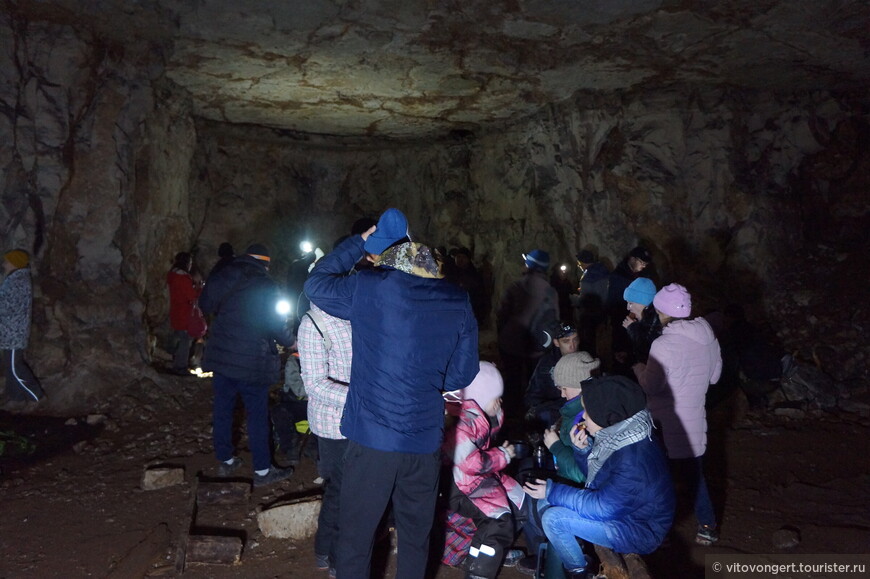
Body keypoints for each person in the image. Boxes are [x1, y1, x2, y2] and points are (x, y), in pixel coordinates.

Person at [303, 208, 479, 579]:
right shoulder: (457, 298)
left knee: (356, 538)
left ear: (381, 253)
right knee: (416, 537)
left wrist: (357, 243)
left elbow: (316, 285)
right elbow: (462, 373)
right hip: (424, 439)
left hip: (372, 439)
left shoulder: (369, 288)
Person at [522, 378, 674, 578]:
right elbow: (599, 480)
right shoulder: (621, 436)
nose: (583, 417)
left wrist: (552, 490)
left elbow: (602, 508)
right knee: (545, 504)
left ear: (606, 415)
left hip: (639, 529)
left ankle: (580, 572)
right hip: (626, 513)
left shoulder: (633, 459)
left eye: (588, 413)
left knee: (553, 519)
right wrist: (584, 451)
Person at [198, 243, 295, 487]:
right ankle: (262, 471)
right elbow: (275, 322)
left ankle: (226, 459)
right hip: (252, 360)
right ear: (266, 263)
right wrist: (292, 342)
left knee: (222, 408)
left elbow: (205, 304)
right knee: (257, 414)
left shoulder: (224, 274)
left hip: (222, 357)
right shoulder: (265, 284)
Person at [633, 283, 722, 546]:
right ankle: (707, 525)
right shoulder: (708, 336)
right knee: (694, 475)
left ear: (660, 310)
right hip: (695, 418)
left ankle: (660, 530)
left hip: (665, 422)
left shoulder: (664, 344)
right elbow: (715, 377)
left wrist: (638, 369)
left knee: (660, 477)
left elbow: (651, 386)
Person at [442, 362, 525, 578]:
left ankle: (492, 554)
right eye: (495, 396)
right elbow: (469, 463)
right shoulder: (463, 423)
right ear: (480, 396)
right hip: (459, 484)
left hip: (478, 478)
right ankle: (480, 571)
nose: (500, 401)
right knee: (499, 519)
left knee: (520, 500)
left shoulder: (479, 416)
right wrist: (502, 456)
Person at [297, 302, 352, 575]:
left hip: (360, 419)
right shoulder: (313, 323)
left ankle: (327, 551)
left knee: (345, 490)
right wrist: (362, 399)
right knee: (342, 490)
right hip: (333, 422)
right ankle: (332, 555)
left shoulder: (353, 312)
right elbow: (315, 384)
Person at [497, 249, 559, 417]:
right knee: (534, 382)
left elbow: (502, 314)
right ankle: (532, 415)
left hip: (511, 343)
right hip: (537, 345)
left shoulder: (515, 286)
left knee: (513, 382)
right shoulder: (550, 291)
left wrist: (502, 337)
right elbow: (553, 319)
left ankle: (511, 415)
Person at [0, 250, 45, 405]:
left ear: (14, 263)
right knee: (10, 365)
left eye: (7, 261)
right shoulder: (17, 279)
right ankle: (15, 397)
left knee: (14, 367)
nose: (4, 263)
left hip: (13, 332)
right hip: (11, 331)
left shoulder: (17, 282)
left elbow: (7, 305)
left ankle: (36, 396)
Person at [524, 322, 579, 428]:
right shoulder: (547, 364)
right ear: (556, 343)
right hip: (553, 411)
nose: (572, 346)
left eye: (575, 339)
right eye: (566, 341)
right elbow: (532, 395)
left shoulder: (585, 361)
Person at [166, 251, 202, 375]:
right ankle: (180, 367)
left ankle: (173, 360)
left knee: (179, 338)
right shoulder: (183, 278)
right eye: (190, 263)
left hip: (176, 311)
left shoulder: (173, 276)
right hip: (184, 313)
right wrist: (199, 288)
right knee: (185, 341)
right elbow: (191, 296)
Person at [572, 250, 609, 356]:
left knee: (588, 344)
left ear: (583, 262)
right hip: (604, 312)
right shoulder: (604, 270)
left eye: (579, 263)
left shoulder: (588, 277)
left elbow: (583, 300)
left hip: (590, 316)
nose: (579, 265)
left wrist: (572, 298)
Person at [620, 277, 661, 365]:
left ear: (645, 303)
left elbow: (649, 350)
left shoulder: (656, 321)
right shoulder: (642, 320)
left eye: (631, 303)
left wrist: (632, 328)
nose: (628, 308)